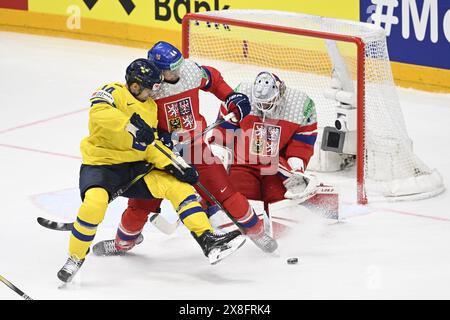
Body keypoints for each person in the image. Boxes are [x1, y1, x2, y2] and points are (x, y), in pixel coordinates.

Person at [57, 58, 246, 283]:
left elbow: (151, 146)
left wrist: (178, 166)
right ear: (135, 86)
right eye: (151, 88)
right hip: (102, 165)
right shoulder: (111, 91)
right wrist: (132, 125)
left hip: (137, 168)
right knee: (94, 204)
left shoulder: (150, 108)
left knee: (181, 188)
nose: (154, 93)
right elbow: (99, 114)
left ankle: (209, 241)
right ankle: (75, 258)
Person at [93, 41, 278, 256]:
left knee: (227, 194)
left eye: (178, 66)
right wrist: (156, 137)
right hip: (160, 156)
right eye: (172, 69)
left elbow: (213, 79)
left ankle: (257, 233)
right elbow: (134, 120)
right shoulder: (147, 86)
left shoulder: (189, 71)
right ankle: (121, 244)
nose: (178, 72)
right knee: (140, 207)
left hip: (196, 149)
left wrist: (230, 96)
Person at [212, 71, 318, 215]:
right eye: (260, 102)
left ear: (280, 93)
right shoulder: (240, 96)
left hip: (277, 168)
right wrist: (216, 171)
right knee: (240, 202)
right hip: (243, 166)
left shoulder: (300, 106)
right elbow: (222, 137)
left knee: (282, 205)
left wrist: (295, 172)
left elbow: (301, 147)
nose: (263, 105)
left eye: (268, 101)